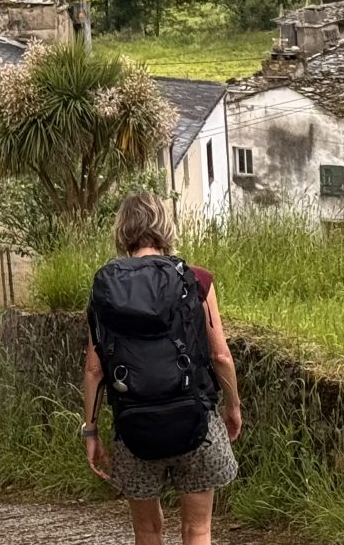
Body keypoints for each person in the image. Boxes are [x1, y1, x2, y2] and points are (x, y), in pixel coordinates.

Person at [82, 193, 243, 545]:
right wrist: (232, 407)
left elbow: (95, 370)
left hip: (134, 428)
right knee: (197, 529)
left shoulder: (106, 288)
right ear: (165, 228)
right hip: (196, 421)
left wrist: (90, 432)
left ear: (122, 231)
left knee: (147, 531)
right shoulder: (196, 279)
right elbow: (221, 358)